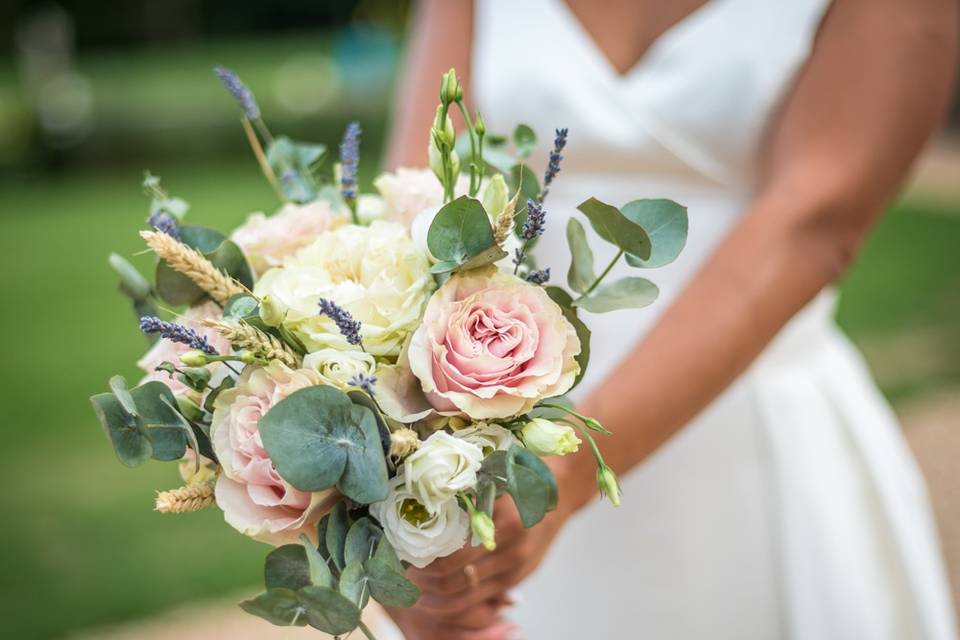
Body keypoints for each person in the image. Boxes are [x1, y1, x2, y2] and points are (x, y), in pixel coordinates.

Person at [383, 1, 959, 638]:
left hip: (742, 449)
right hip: (494, 450)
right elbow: (410, 195)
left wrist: (564, 477)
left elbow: (815, 226)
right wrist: (393, 493)